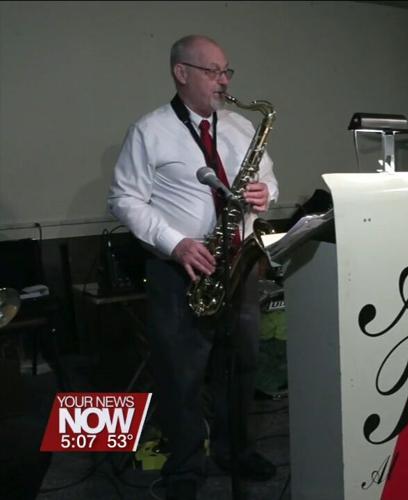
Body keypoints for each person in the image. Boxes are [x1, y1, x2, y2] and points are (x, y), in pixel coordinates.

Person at [108, 35, 277, 499]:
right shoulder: (150, 130)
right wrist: (176, 243)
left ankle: (234, 450)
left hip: (237, 264)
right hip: (180, 267)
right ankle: (184, 467)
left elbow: (269, 182)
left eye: (227, 71)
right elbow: (124, 198)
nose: (224, 80)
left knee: (241, 365)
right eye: (213, 71)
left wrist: (266, 195)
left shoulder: (242, 127)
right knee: (180, 372)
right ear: (181, 73)